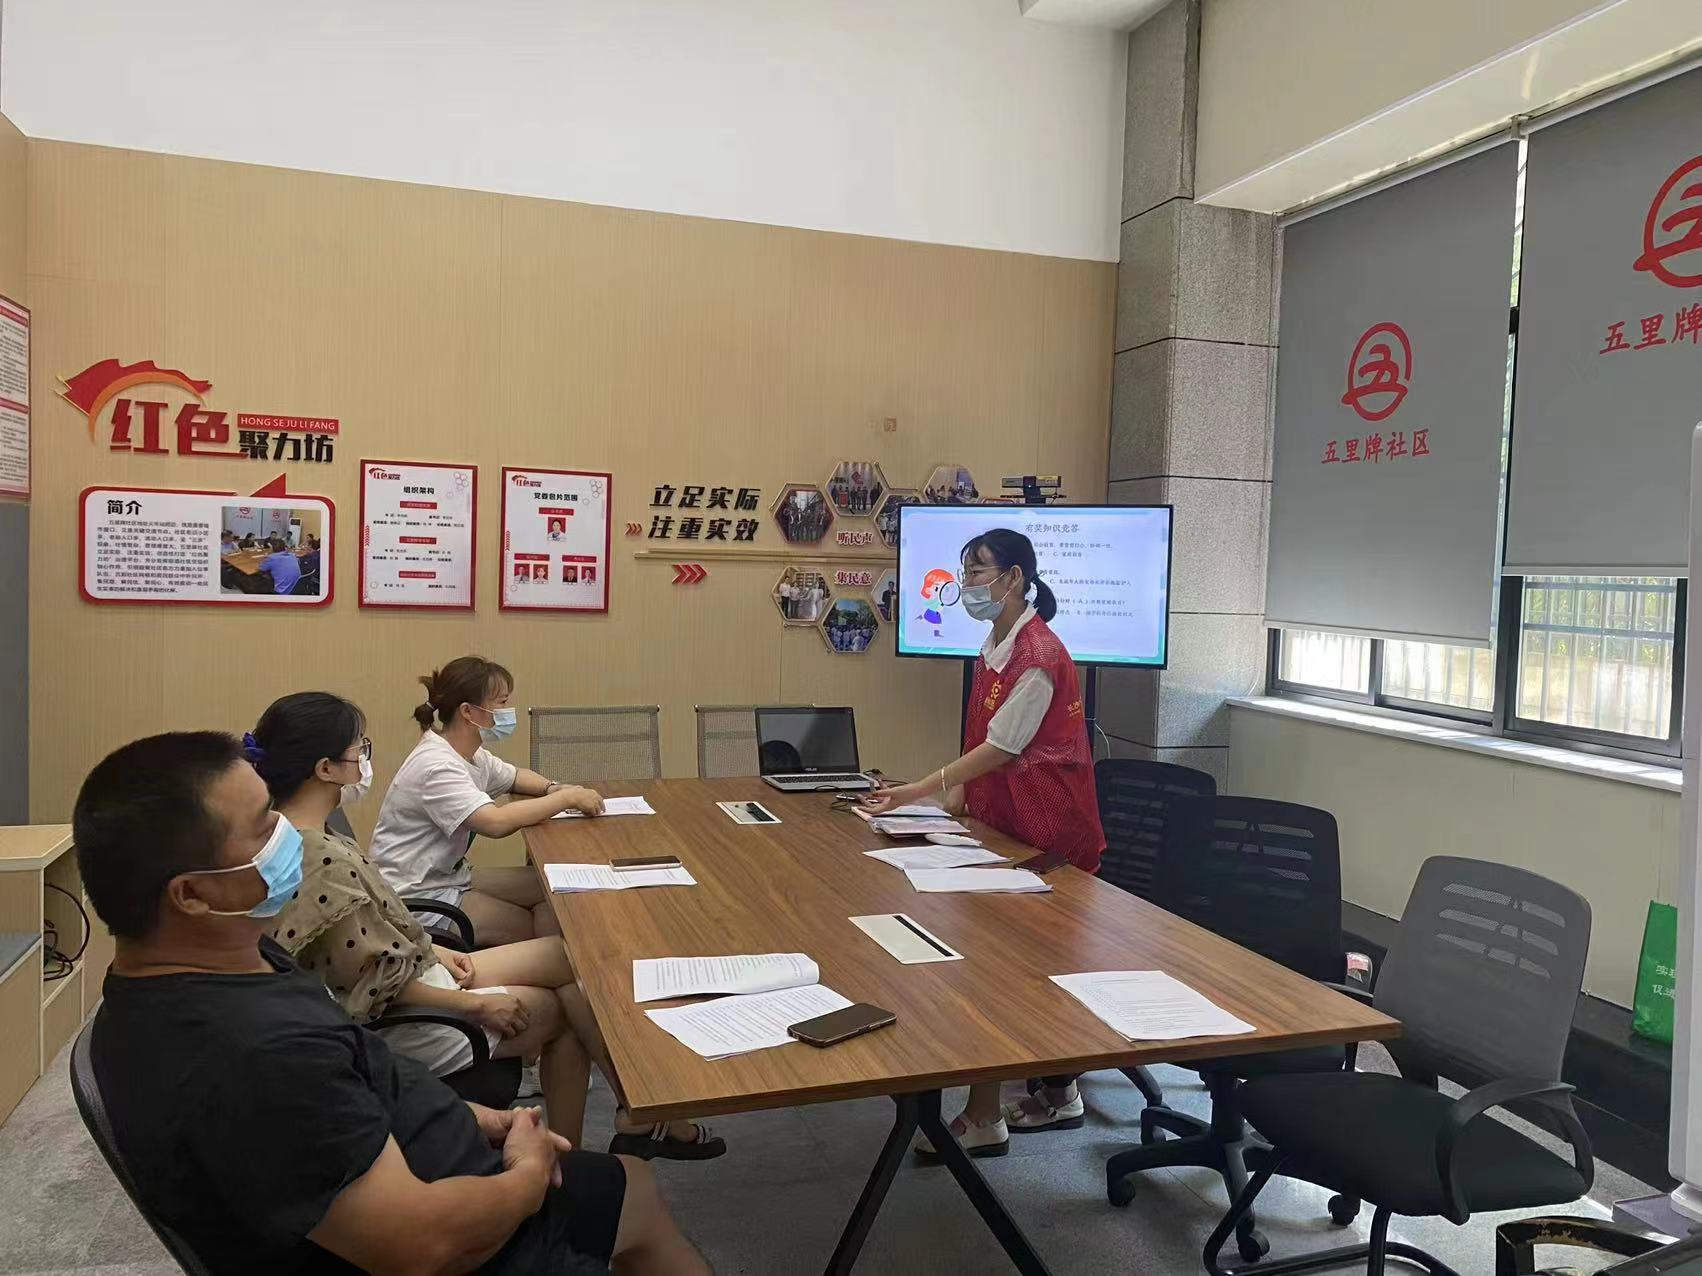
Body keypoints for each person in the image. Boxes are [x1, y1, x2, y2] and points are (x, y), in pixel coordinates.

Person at [75, 730, 708, 1275]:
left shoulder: (217, 966)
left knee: (635, 1187)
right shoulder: (255, 1054)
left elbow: (354, 1073)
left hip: (424, 1149)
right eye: (264, 829)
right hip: (459, 1234)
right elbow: (418, 1245)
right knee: (631, 1192)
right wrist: (527, 1175)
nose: (286, 836)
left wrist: (472, 1116)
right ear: (190, 895)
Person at [255, 692, 722, 1162]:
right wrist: (474, 1005)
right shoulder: (320, 858)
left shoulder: (304, 833)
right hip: (405, 1016)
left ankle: (634, 1118)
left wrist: (434, 951)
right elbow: (372, 984)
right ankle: (585, 1149)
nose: (365, 760)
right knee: (566, 1001)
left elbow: (366, 937)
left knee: (572, 956)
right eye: (360, 749)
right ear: (325, 769)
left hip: (419, 969)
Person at [867, 528, 1105, 1156]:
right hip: (1005, 826)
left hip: (1048, 835)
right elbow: (984, 738)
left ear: (1015, 578)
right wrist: (953, 801)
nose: (968, 583)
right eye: (966, 570)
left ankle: (983, 1117)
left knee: (1002, 972)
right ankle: (1059, 1094)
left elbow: (1003, 745)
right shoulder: (997, 644)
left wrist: (923, 787)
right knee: (1014, 966)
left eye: (979, 571)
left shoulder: (1041, 655)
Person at [370, 656, 603, 946]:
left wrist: (552, 788)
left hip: (448, 877)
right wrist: (567, 798)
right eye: (501, 702)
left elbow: (514, 777)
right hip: (418, 899)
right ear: (468, 711)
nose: (508, 711)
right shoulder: (437, 766)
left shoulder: (468, 753)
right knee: (545, 924)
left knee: (554, 890)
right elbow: (495, 823)